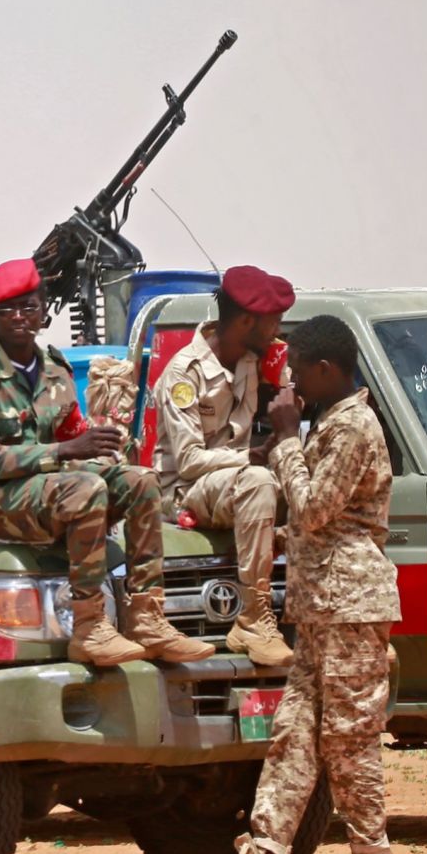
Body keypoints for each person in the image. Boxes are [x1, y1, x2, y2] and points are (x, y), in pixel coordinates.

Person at [187, 315, 401, 854]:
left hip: (351, 608)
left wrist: (283, 440)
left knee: (348, 738)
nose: (294, 384)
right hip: (322, 610)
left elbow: (312, 507)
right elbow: (321, 523)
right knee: (293, 736)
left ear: (327, 369)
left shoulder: (353, 426)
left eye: (301, 370)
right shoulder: (333, 424)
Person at [0, 258, 213, 667]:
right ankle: (90, 627)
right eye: (7, 311)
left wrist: (103, 444)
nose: (19, 318)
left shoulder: (55, 368)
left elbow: (72, 432)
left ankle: (148, 617)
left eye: (28, 307)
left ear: (44, 310)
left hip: (46, 487)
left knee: (140, 481)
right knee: (85, 489)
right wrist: (66, 452)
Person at [153, 264, 295, 667]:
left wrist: (288, 388)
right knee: (258, 481)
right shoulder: (185, 373)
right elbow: (190, 461)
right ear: (246, 321)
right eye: (273, 323)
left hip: (233, 483)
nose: (277, 331)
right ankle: (254, 617)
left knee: (306, 476)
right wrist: (248, 458)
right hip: (186, 489)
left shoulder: (254, 358)